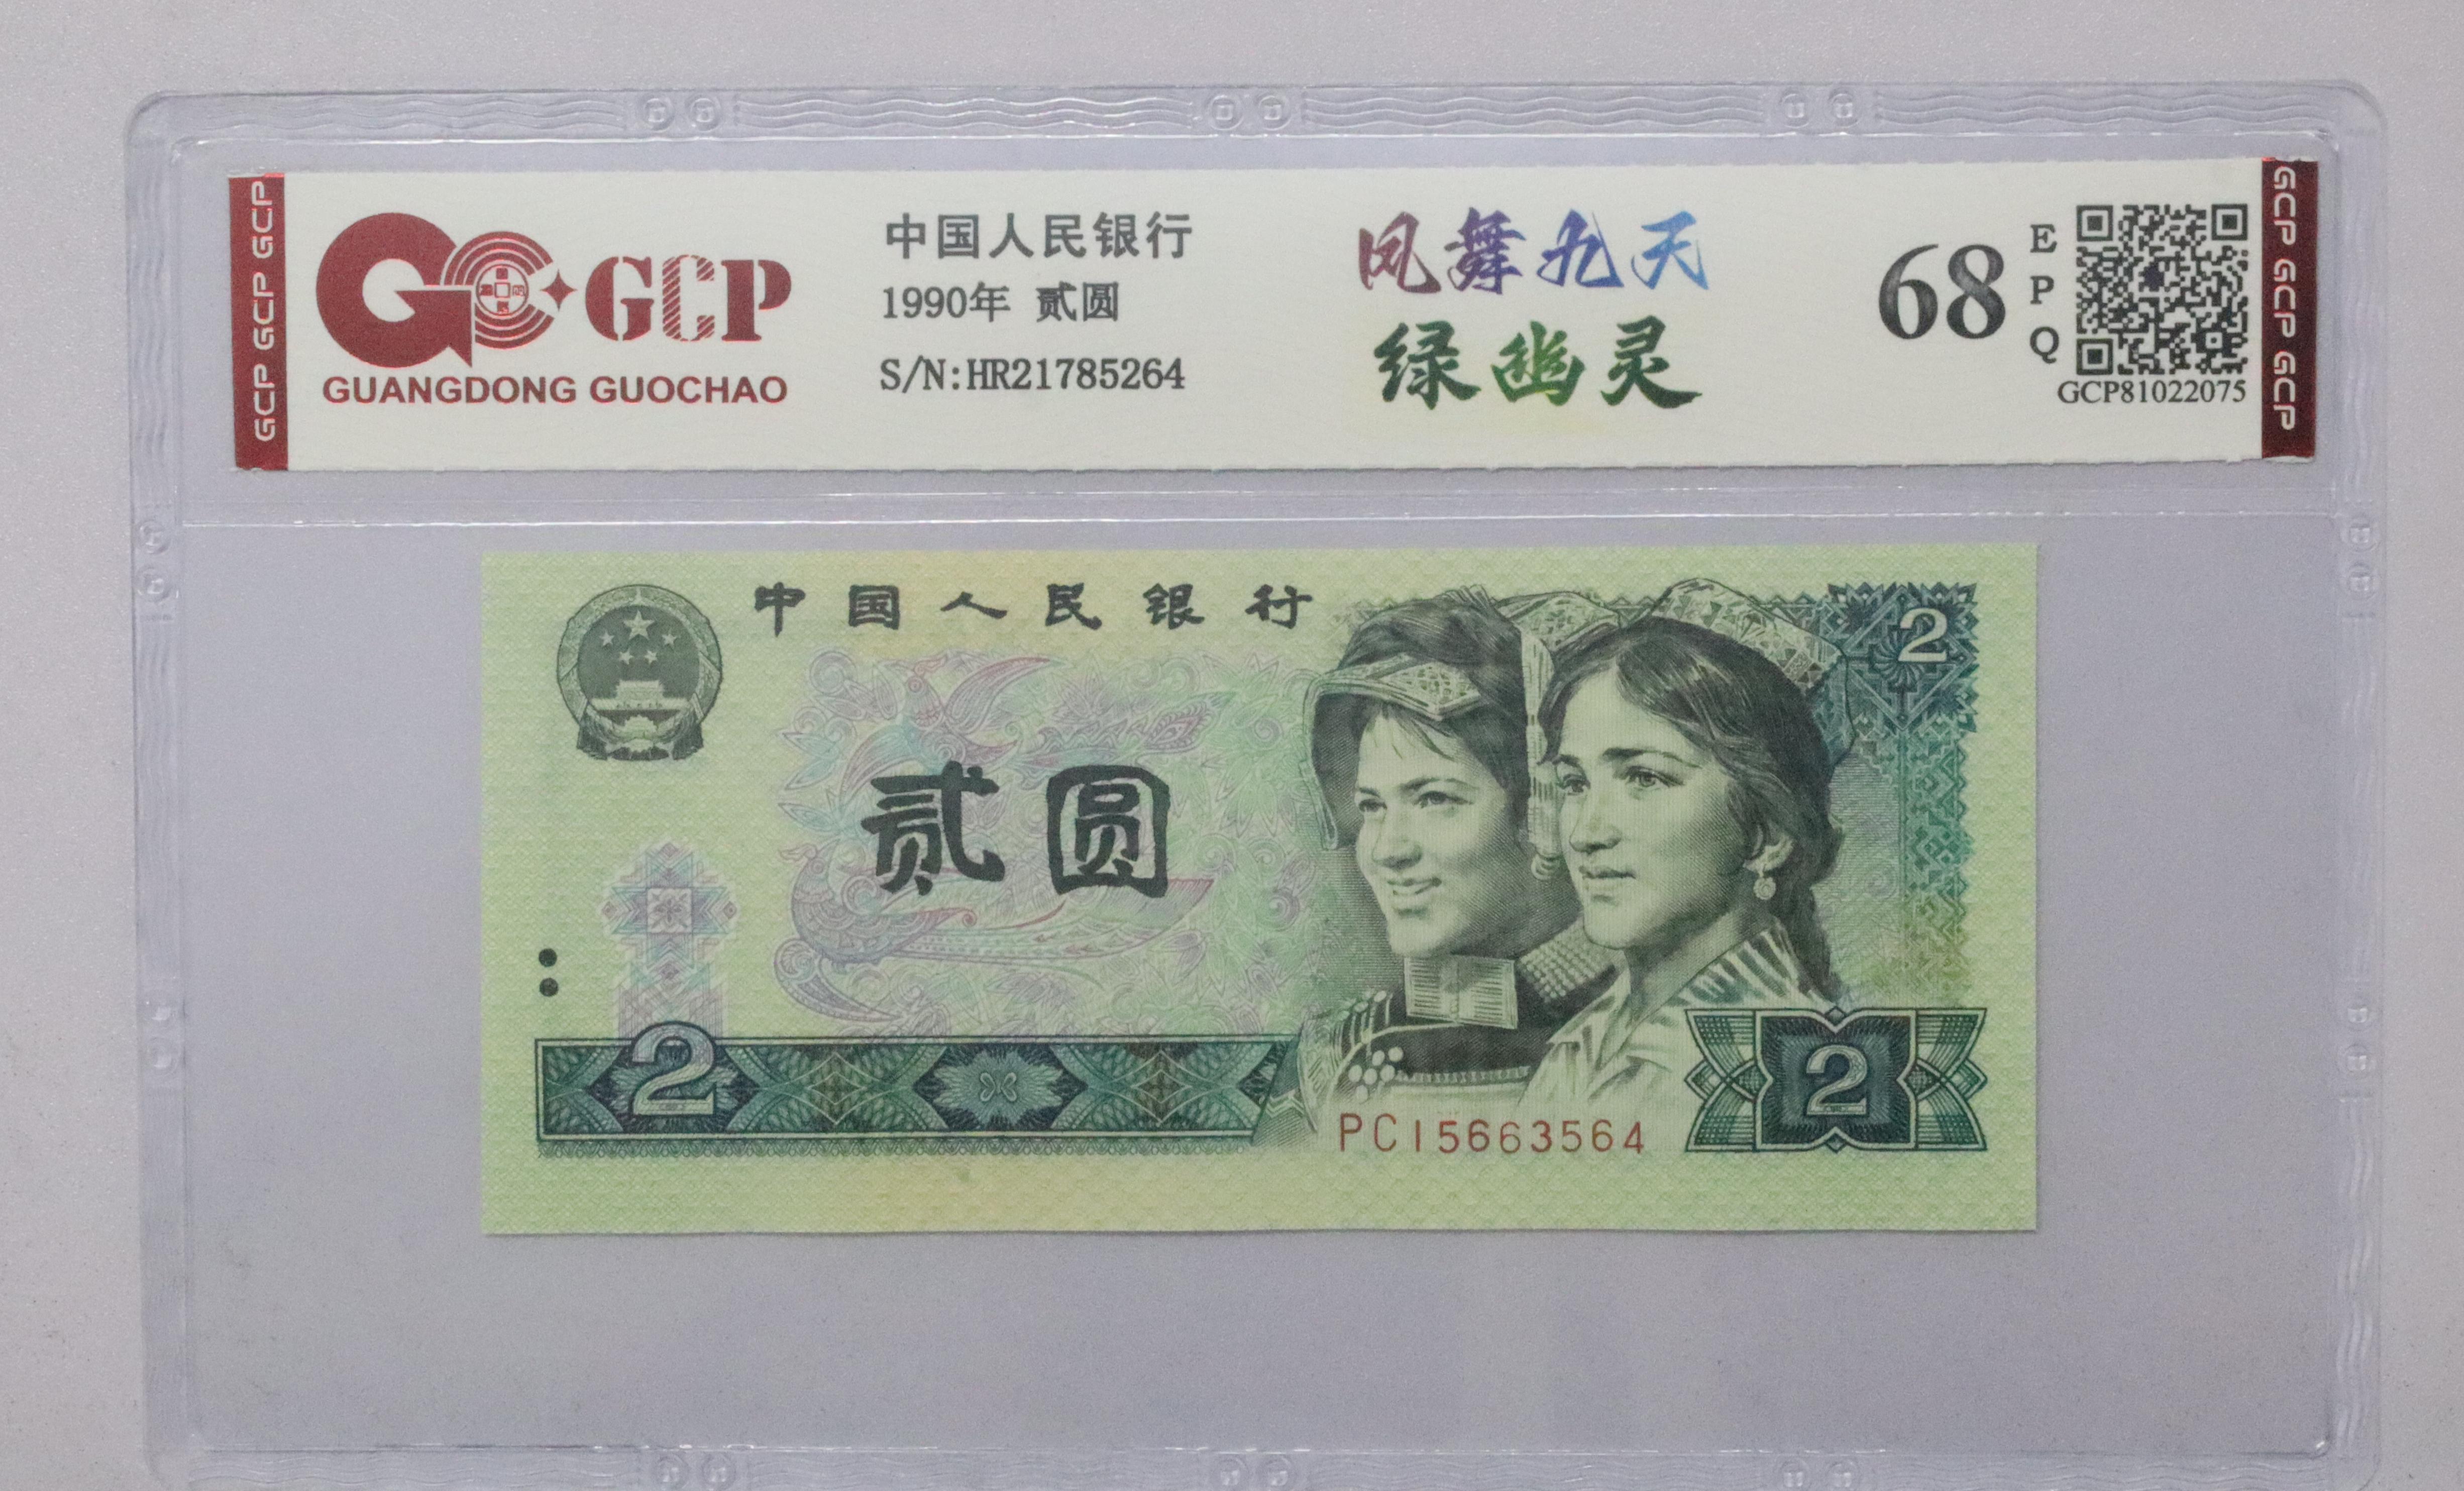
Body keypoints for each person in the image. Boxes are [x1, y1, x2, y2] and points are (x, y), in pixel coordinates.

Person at [1253, 589, 1622, 1143]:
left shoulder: (1657, 1032)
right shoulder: (1333, 1057)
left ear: (1544, 809)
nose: (1387, 850)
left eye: (1433, 799)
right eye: (1372, 807)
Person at [1517, 589, 1845, 1153]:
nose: (1585, 833)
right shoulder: (1581, 1043)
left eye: (1644, 779)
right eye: (1575, 783)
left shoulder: (1786, 1073)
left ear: (1767, 834)